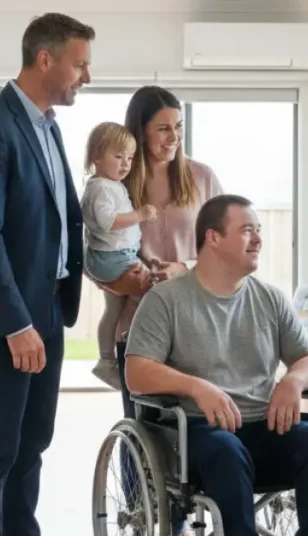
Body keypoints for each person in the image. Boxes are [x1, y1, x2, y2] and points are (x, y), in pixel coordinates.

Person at [0, 13, 93, 536]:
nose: (85, 76)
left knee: (32, 445)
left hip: (47, 307)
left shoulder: (48, 128)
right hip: (4, 318)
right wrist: (15, 324)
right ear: (44, 59)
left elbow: (53, 220)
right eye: (80, 64)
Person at [123, 195, 308, 535]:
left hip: (263, 424)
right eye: (246, 230)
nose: (258, 239)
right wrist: (196, 387)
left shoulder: (270, 299)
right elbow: (136, 371)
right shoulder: (166, 300)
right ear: (212, 237)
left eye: (259, 230)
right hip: (196, 431)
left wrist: (293, 382)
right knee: (226, 450)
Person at [90, 85, 224, 383]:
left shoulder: (203, 178)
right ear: (140, 131)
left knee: (198, 420)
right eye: (163, 128)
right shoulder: (113, 185)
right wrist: (116, 282)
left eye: (178, 126)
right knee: (144, 422)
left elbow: (226, 250)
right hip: (137, 328)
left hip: (197, 323)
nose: (174, 136)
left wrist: (184, 269)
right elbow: (90, 248)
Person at [79, 121, 158, 389]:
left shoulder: (109, 184)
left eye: (130, 158)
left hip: (113, 255)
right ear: (96, 157)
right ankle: (140, 356)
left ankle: (105, 360)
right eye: (118, 156)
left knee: (112, 310)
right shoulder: (101, 187)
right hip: (114, 258)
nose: (125, 164)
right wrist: (140, 215)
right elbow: (107, 221)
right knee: (151, 296)